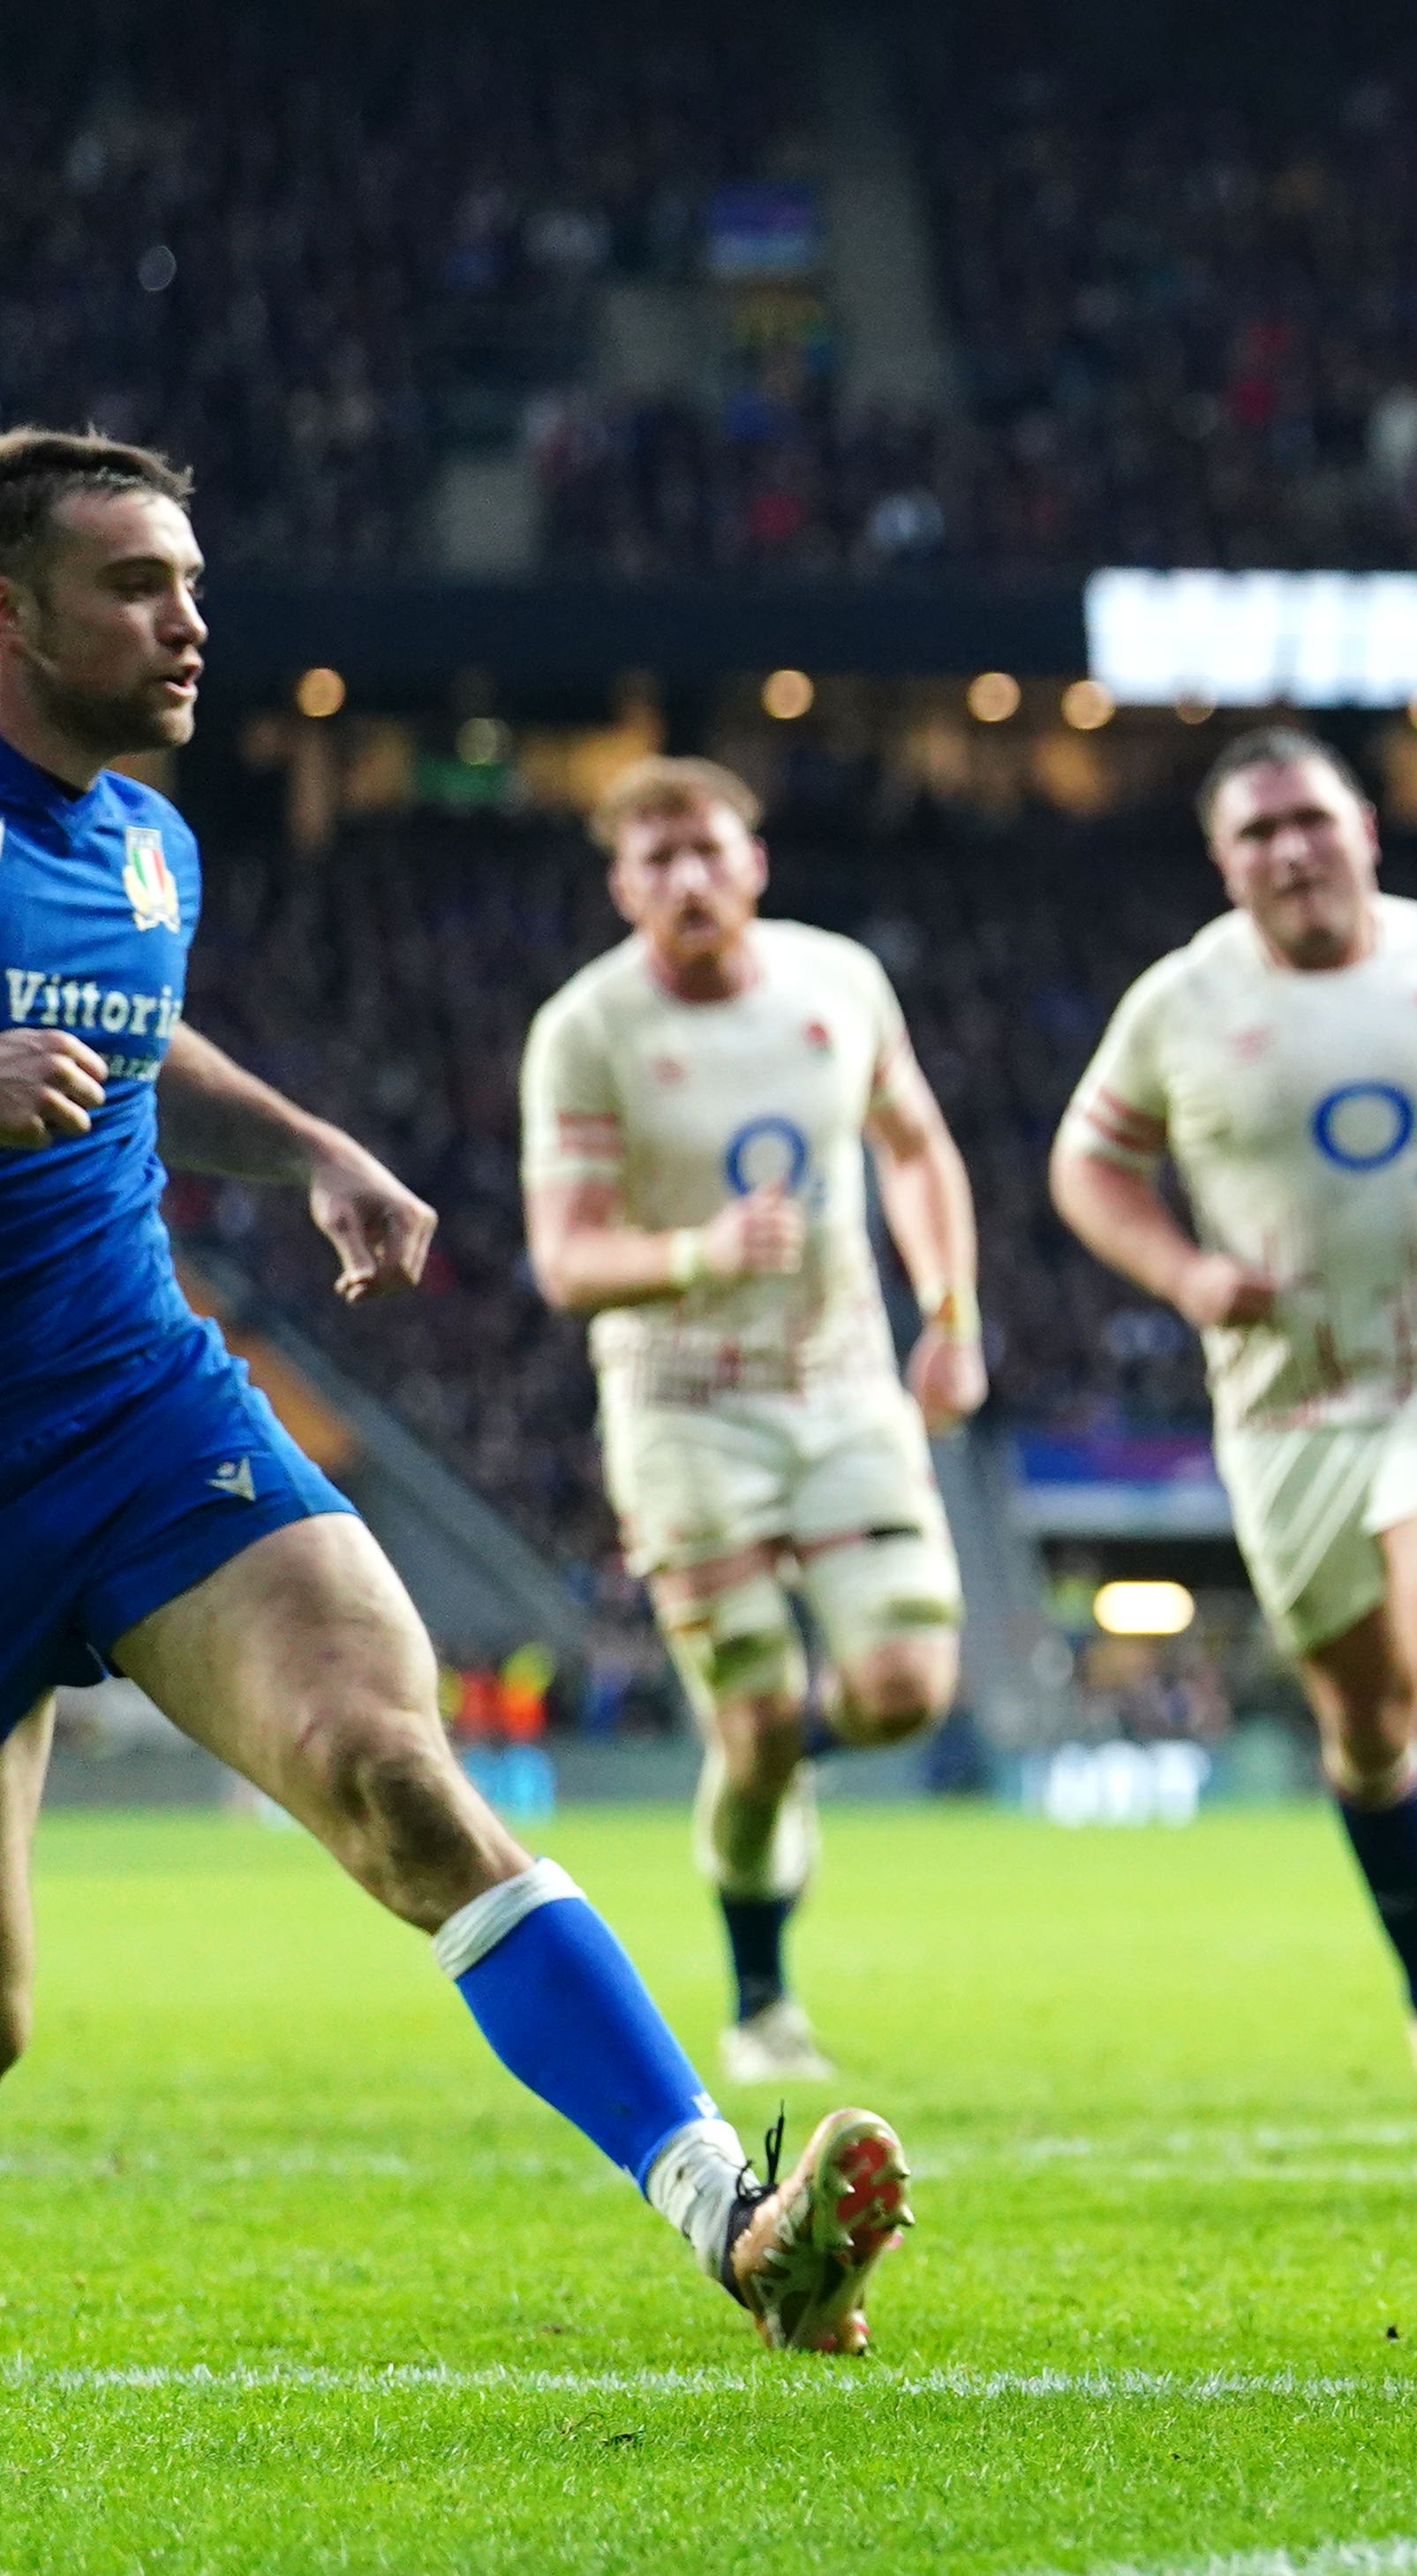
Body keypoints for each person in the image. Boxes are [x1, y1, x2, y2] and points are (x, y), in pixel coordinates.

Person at [0, 430, 903, 2349]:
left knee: (400, 1778)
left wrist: (311, 1138)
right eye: (134, 587)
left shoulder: (149, 843)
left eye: (194, 581)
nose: (190, 624)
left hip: (137, 1417)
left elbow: (136, 1043)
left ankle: (734, 2225)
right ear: (9, 611)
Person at [1053, 727, 1417, 2112]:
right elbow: (1087, 1163)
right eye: (1257, 833)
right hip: (1288, 1406)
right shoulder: (1181, 1003)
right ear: (1224, 864)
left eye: (1310, 820)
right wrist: (1187, 1271)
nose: (1291, 849)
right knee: (1371, 1724)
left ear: (1365, 827)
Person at [520, 758, 986, 2084]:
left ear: (755, 862)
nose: (688, 879)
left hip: (839, 1382)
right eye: (656, 860)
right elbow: (565, 1259)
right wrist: (699, 1252)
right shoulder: (587, 1030)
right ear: (624, 887)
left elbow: (917, 1146)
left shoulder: (839, 982)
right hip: (682, 1407)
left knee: (903, 1690)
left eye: (709, 851)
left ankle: (770, 1765)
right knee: (757, 1715)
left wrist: (951, 1313)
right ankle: (763, 2000)